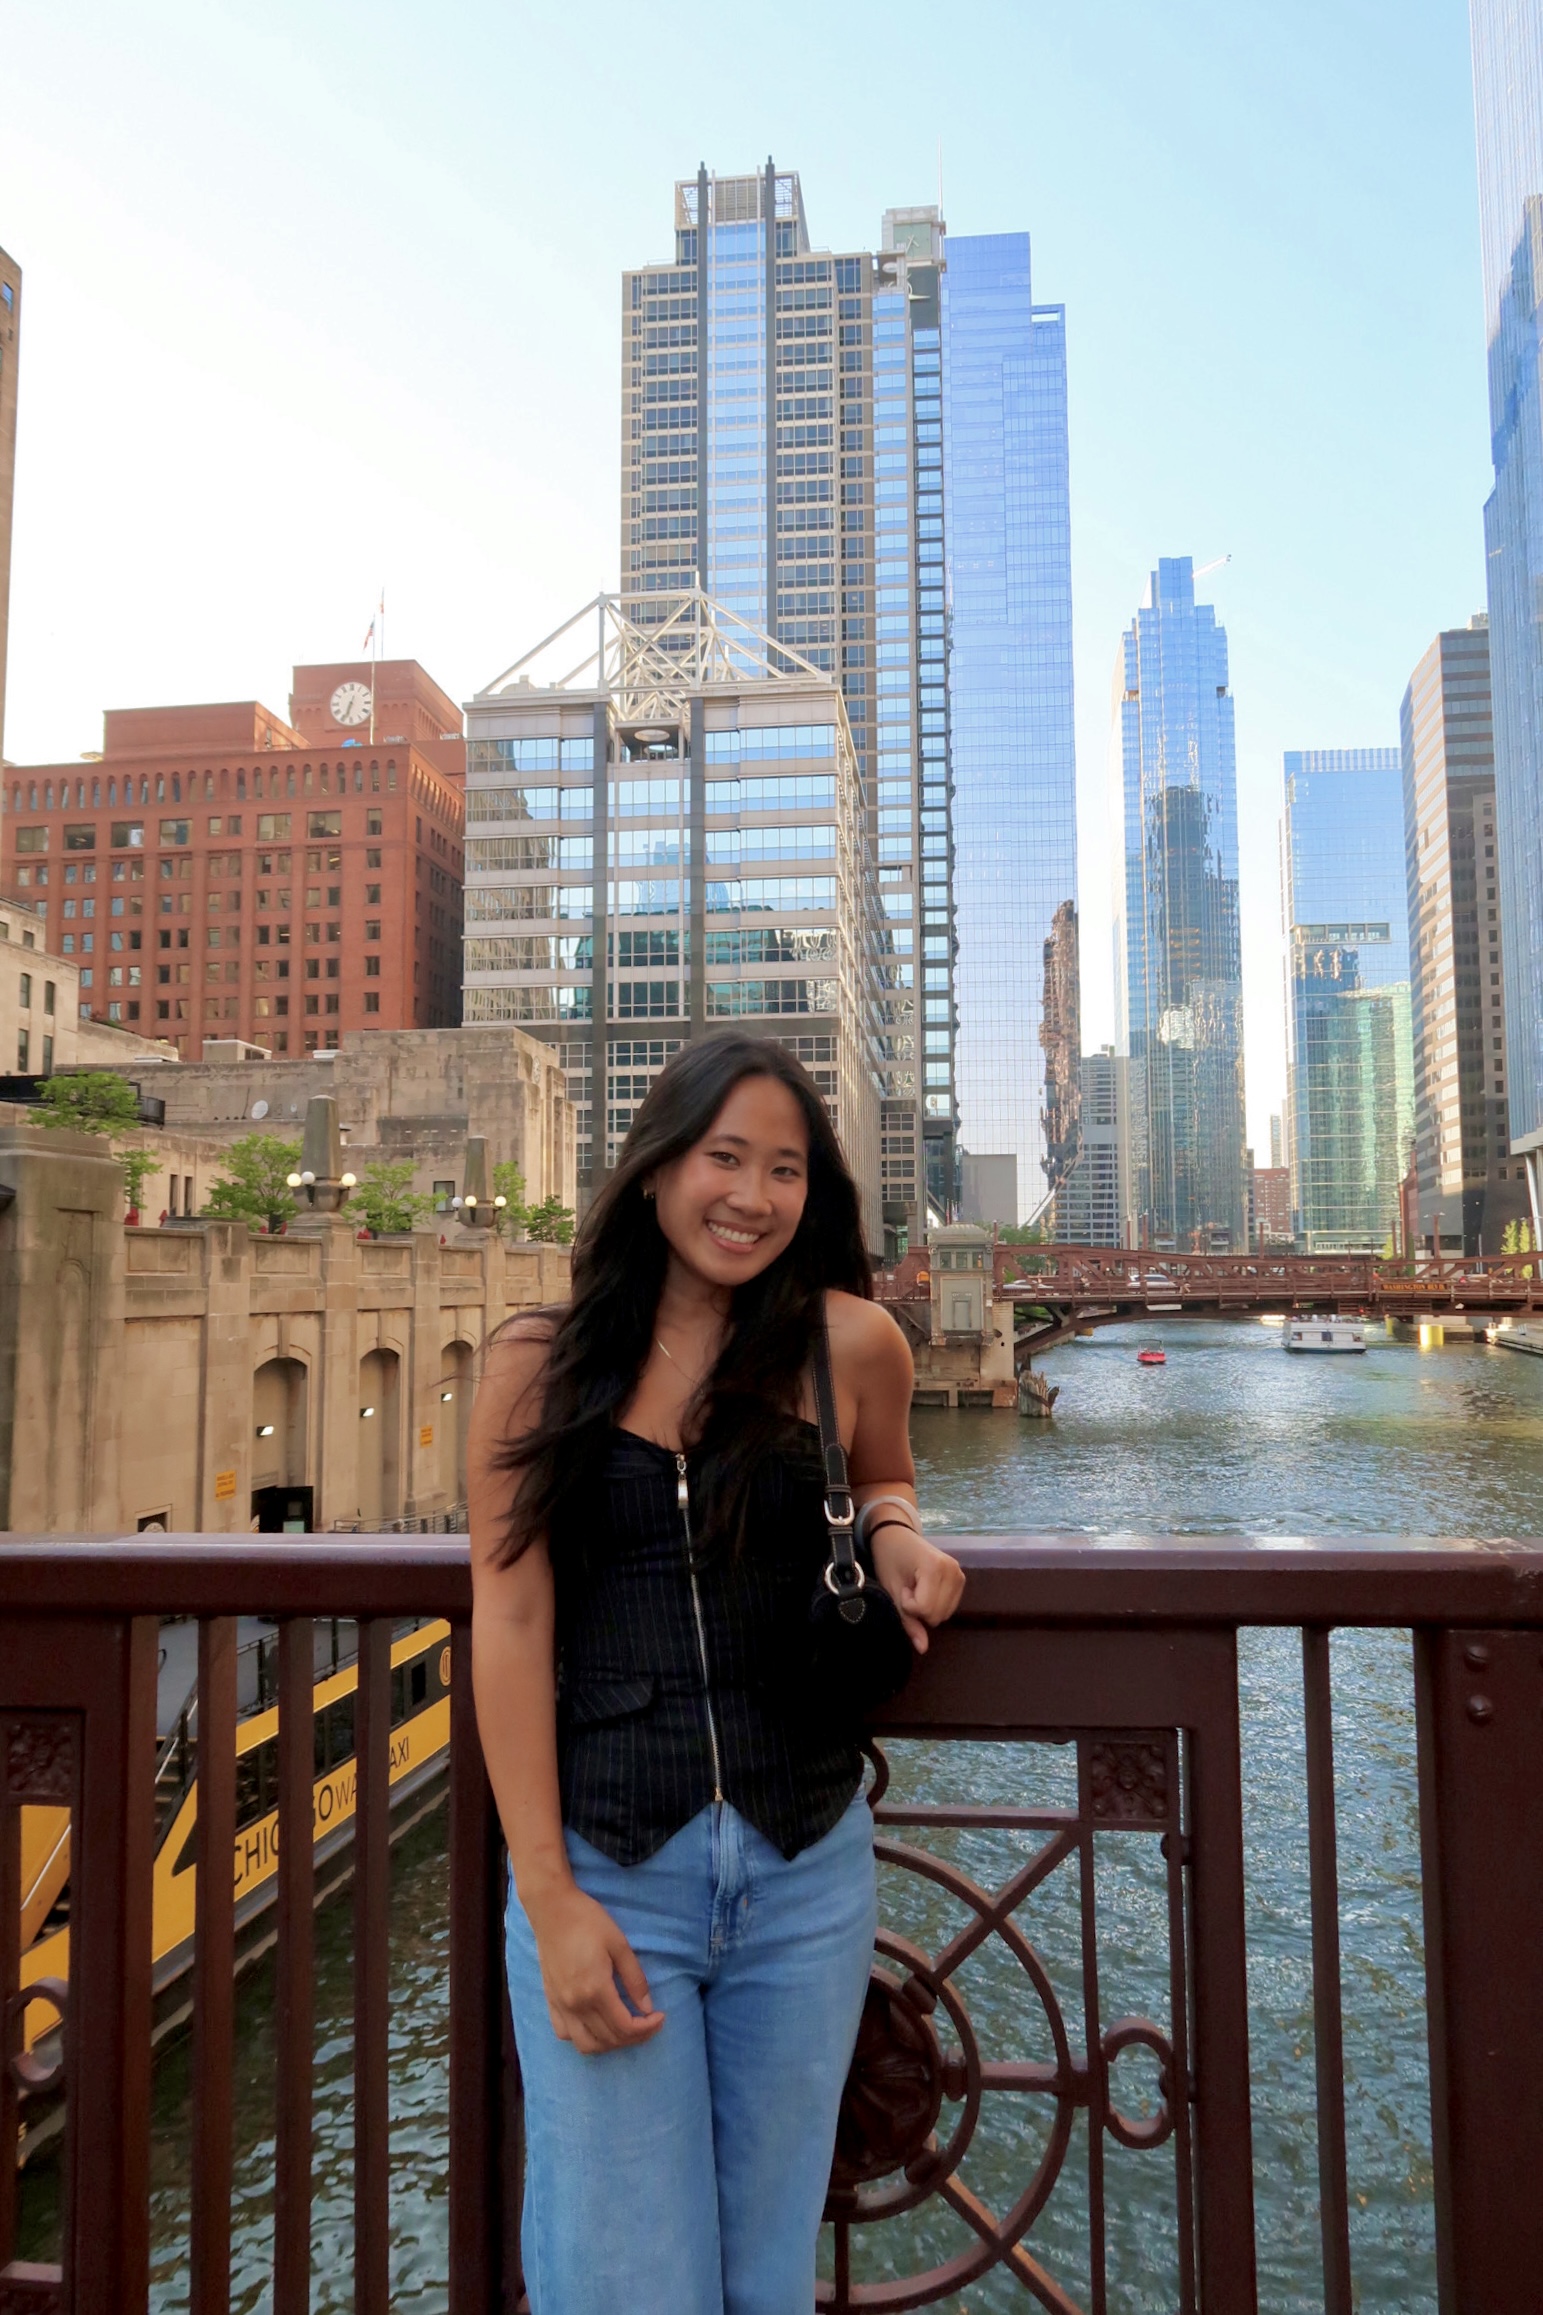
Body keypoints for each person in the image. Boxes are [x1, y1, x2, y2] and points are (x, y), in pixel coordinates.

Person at [468, 1034, 965, 2315]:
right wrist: (550, 1896)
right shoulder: (542, 1359)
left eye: (784, 1169)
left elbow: (885, 1471)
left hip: (805, 1867)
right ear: (653, 1171)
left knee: (762, 2271)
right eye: (722, 1157)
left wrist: (898, 1534)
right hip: (612, 1872)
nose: (750, 1194)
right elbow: (511, 1622)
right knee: (628, 2280)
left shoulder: (850, 1343)